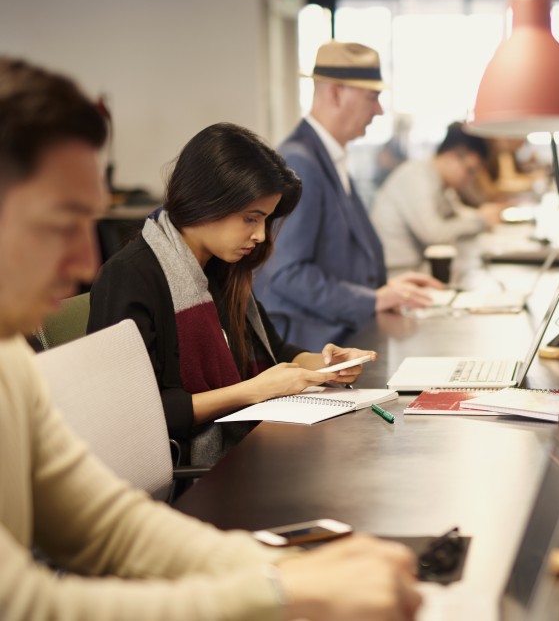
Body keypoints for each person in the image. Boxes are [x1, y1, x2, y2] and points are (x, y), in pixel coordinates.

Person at [0, 56, 420, 620]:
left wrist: (279, 569)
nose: (85, 260)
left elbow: (108, 528)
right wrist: (281, 591)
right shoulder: (133, 275)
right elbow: (28, 605)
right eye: (59, 223)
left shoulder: (11, 362)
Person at [88, 123, 376, 466]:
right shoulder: (131, 276)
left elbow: (274, 351)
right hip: (181, 470)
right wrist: (253, 391)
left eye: (266, 221)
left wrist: (326, 366)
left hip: (240, 456)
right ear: (206, 201)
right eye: (251, 219)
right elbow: (133, 414)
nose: (259, 236)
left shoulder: (222, 268)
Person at [254, 41, 441, 350]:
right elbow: (288, 274)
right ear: (336, 93)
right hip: (312, 347)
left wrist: (387, 290)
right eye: (373, 97)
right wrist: (373, 299)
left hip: (337, 338)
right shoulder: (300, 161)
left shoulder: (327, 155)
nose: (379, 110)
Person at [371, 122, 506, 270]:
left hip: (417, 267)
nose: (470, 178)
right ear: (451, 156)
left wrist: (481, 215)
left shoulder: (440, 181)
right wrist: (480, 221)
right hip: (397, 271)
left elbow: (458, 214)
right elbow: (433, 234)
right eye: (470, 170)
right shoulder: (417, 176)